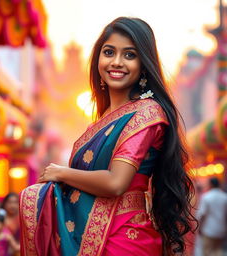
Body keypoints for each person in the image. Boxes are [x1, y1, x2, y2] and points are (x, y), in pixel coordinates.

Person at [20, 17, 196, 256]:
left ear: (144, 64)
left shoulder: (147, 113)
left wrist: (61, 172)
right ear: (98, 59)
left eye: (129, 55)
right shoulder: (103, 120)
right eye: (109, 52)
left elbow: (116, 183)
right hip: (90, 238)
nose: (116, 62)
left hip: (123, 239)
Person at [196, 177, 227, 256]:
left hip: (208, 230)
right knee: (218, 251)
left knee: (207, 251)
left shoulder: (207, 197)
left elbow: (202, 214)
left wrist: (199, 228)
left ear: (211, 184)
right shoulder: (225, 197)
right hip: (222, 230)